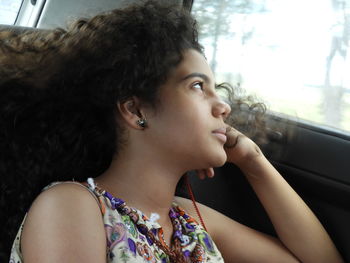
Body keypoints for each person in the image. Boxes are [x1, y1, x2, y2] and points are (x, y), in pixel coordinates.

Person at [0, 1, 344, 262]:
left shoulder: (190, 222)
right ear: (135, 109)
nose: (223, 107)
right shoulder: (73, 205)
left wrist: (254, 162)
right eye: (198, 86)